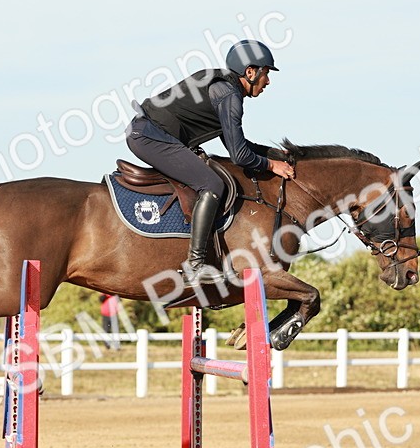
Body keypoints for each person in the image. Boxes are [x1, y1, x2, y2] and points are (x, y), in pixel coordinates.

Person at [126, 39, 296, 286]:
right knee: (212, 184)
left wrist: (276, 155)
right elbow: (239, 156)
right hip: (150, 136)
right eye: (266, 73)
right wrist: (271, 166)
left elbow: (238, 145)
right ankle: (195, 265)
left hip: (148, 131)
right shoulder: (228, 95)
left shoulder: (221, 88)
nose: (267, 81)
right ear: (250, 72)